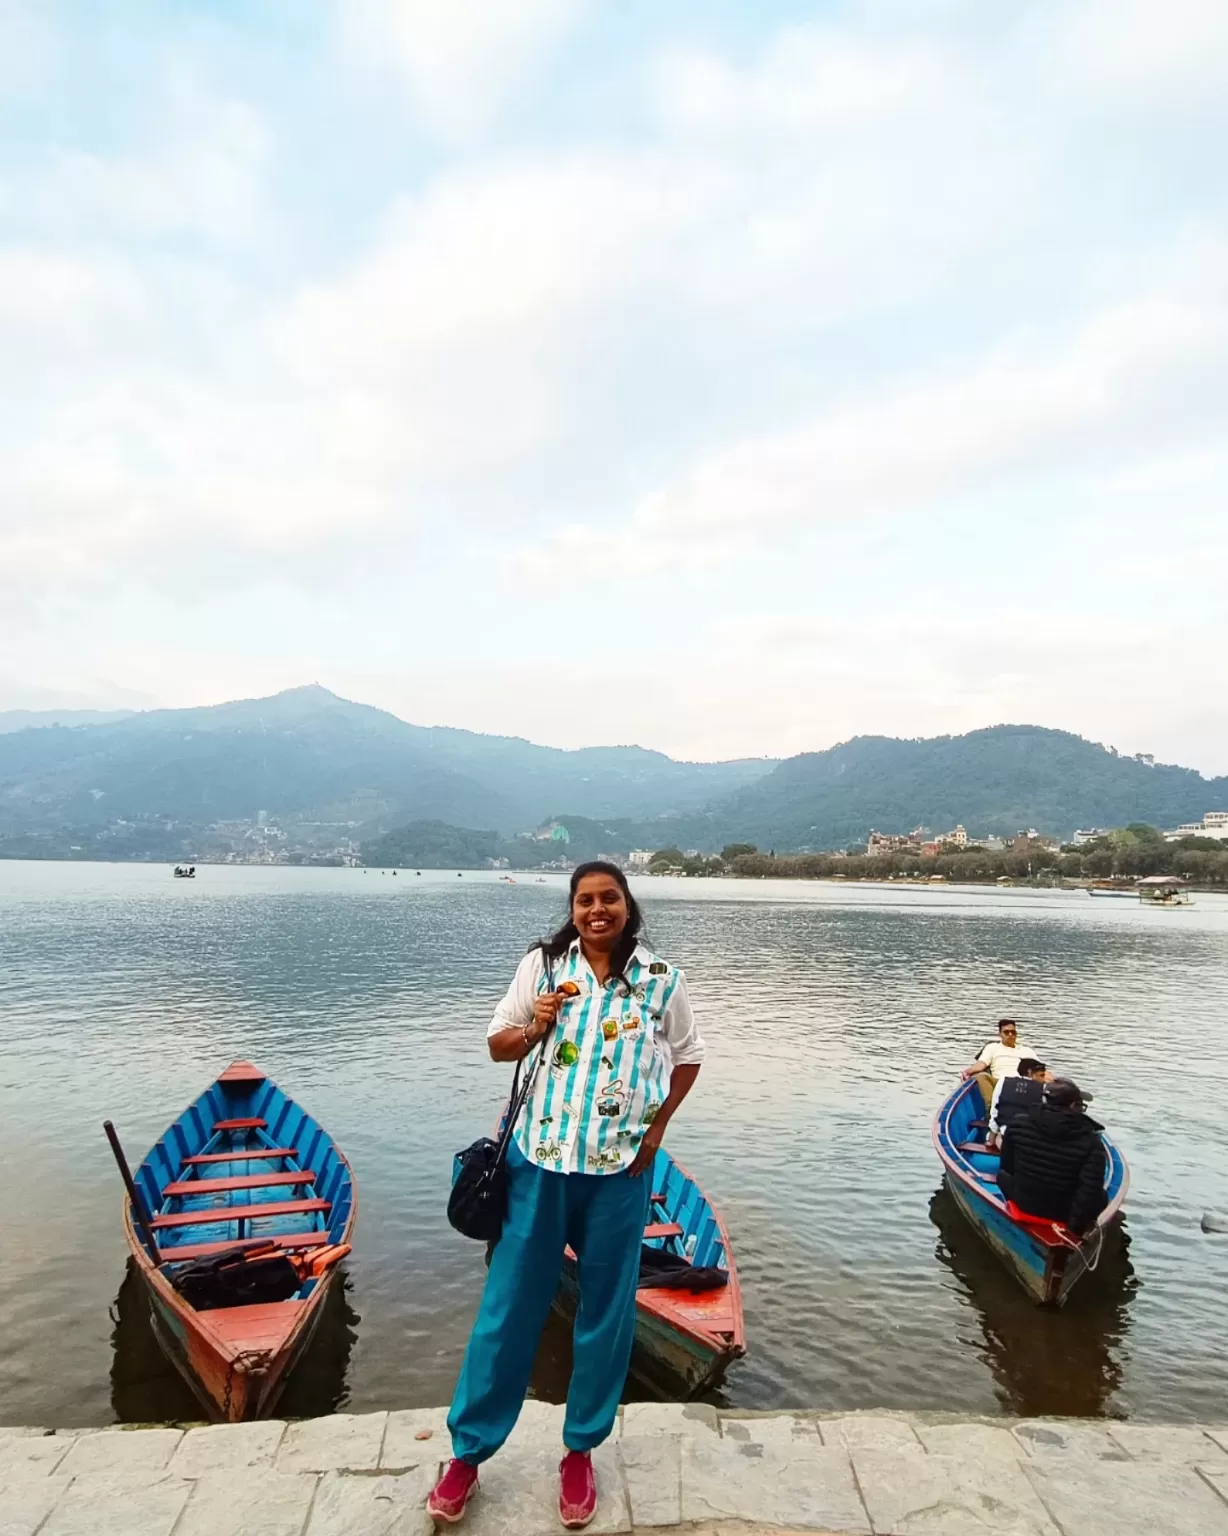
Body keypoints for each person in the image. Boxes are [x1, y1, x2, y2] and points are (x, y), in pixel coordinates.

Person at [428, 861, 705, 1529]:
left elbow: (690, 1055)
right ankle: (468, 1454)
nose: (597, 909)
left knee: (606, 1316)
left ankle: (580, 1450)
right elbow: (499, 1045)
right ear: (573, 909)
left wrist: (656, 1132)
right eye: (585, 900)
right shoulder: (544, 968)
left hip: (620, 1174)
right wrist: (535, 1026)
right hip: (540, 1166)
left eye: (609, 897)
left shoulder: (662, 982)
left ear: (627, 905)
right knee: (508, 1309)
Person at [997, 1078, 1108, 1235]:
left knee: (1001, 1176)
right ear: (1073, 1106)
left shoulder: (1017, 1124)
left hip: (1024, 1203)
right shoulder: (1091, 1141)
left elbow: (1007, 1167)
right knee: (1101, 1195)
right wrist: (1073, 1229)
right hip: (1063, 1213)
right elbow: (1089, 1191)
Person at [986, 1058, 1051, 1148]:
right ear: (1030, 1072)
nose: (1043, 1079)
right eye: (1041, 1075)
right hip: (1031, 1140)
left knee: (1000, 1138)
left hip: (1007, 1136)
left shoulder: (1003, 1081)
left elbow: (995, 1111)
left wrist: (991, 1140)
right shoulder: (1044, 1088)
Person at [960, 1019, 1034, 1084]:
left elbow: (1041, 1070)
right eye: (1006, 1032)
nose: (1010, 1034)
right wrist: (967, 1071)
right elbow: (981, 1064)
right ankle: (991, 1100)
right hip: (1000, 1083)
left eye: (1013, 1032)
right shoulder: (992, 1047)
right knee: (982, 1076)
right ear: (1000, 1034)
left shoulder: (1027, 1050)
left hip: (1023, 1083)